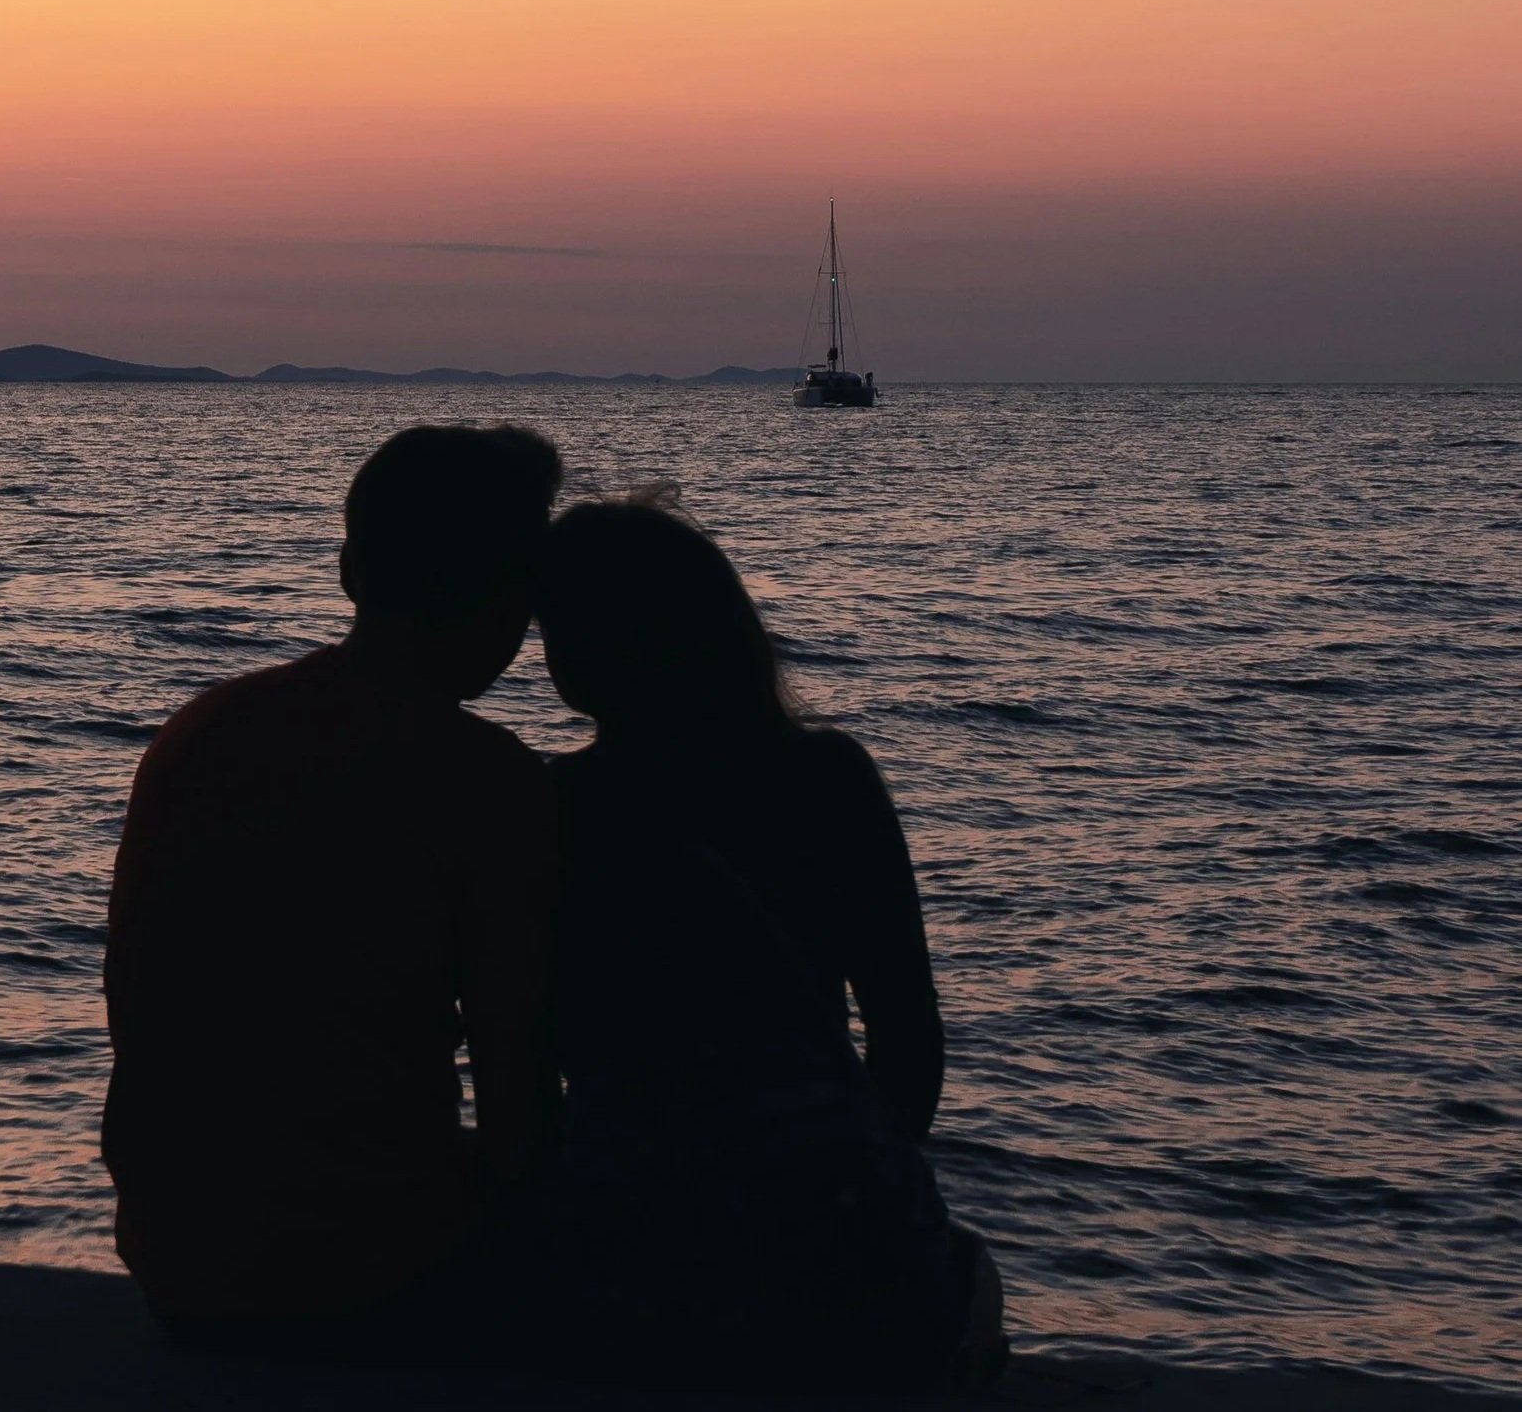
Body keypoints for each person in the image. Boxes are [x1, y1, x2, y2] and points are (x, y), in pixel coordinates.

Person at [102, 425, 564, 1352]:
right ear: (516, 598)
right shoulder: (483, 780)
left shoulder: (202, 730)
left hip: (179, 1253)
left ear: (349, 571)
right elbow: (518, 1092)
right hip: (370, 1267)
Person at [534, 489, 1003, 1390]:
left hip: (637, 1244)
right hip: (832, 1234)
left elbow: (544, 1047)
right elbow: (908, 1036)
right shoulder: (829, 776)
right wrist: (852, 1181)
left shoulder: (559, 806)